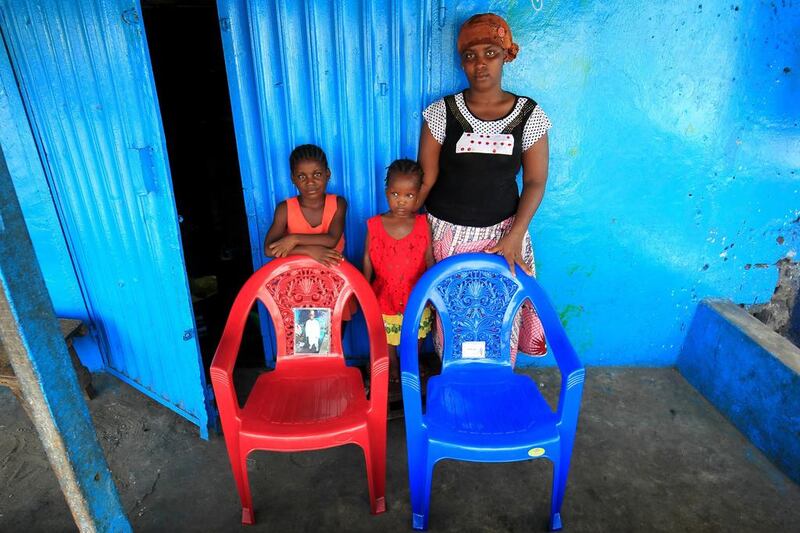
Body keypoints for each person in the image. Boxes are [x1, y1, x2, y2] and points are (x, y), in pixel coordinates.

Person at [415, 13, 551, 363]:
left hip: (504, 237)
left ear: (507, 54)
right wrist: (407, 227)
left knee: (499, 317)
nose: (480, 64)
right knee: (453, 318)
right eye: (470, 55)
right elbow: (426, 179)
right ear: (461, 61)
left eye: (490, 53)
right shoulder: (442, 113)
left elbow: (535, 181)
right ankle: (455, 384)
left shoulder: (528, 115)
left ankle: (499, 382)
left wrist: (515, 235)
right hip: (447, 237)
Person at [362, 159, 434, 384]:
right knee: (387, 333)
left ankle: (411, 359)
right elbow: (367, 257)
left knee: (417, 329)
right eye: (395, 194)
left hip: (416, 292)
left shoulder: (423, 224)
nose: (401, 201)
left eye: (409, 196)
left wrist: (432, 291)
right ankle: (392, 361)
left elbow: (429, 258)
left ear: (417, 195)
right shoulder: (374, 224)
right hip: (385, 293)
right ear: (386, 193)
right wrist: (364, 289)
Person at [263, 144, 346, 267]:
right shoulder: (284, 209)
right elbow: (269, 250)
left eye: (317, 174)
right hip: (295, 274)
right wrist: (309, 250)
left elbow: (332, 240)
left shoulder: (338, 203)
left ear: (327, 174)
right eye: (302, 176)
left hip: (333, 273)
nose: (310, 182)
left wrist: (294, 239)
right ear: (293, 178)